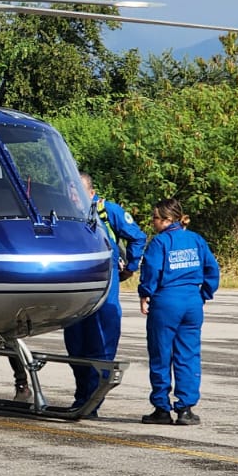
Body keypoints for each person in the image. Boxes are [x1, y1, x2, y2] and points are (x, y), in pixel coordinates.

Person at [63, 173, 147, 415]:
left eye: (76, 191)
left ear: (90, 192)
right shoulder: (66, 213)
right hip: (76, 287)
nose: (71, 196)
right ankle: (82, 398)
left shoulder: (108, 211)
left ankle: (93, 402)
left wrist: (131, 268)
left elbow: (138, 237)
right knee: (76, 346)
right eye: (69, 191)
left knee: (101, 346)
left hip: (105, 285)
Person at [136, 197, 220, 426]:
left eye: (155, 217)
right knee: (188, 354)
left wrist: (145, 294)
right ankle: (185, 409)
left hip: (166, 301)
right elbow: (212, 270)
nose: (152, 221)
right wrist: (203, 295)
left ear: (167, 219)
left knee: (161, 355)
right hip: (192, 302)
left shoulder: (160, 243)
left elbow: (151, 272)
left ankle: (161, 408)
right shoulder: (196, 239)